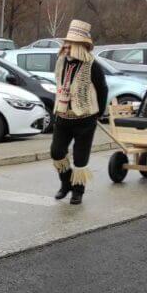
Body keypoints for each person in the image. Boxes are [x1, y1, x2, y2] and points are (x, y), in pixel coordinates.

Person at [49, 19, 108, 205]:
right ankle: (66, 183)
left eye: (70, 44)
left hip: (85, 119)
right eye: (66, 43)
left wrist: (98, 113)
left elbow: (102, 89)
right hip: (63, 116)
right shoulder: (61, 62)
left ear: (80, 46)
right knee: (56, 152)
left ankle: (78, 191)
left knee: (80, 158)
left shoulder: (92, 65)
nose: (66, 47)